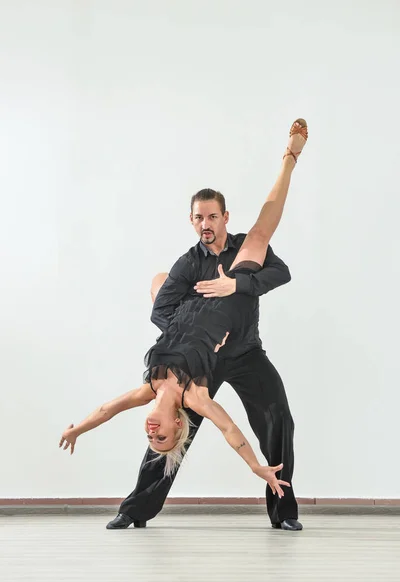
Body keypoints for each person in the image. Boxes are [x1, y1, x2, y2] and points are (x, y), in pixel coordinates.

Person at [60, 118, 308, 531]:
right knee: (160, 287)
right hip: (198, 354)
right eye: (198, 218)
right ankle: (135, 509)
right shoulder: (190, 262)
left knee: (278, 418)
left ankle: (283, 511)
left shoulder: (245, 249)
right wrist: (193, 323)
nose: (205, 224)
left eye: (211, 216)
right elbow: (161, 311)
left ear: (224, 216)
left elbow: (279, 274)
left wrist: (235, 285)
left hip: (243, 350)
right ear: (192, 220)